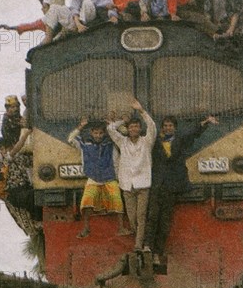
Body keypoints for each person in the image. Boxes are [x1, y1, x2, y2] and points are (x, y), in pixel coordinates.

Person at [145, 114, 219, 265]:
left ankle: (157, 252)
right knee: (152, 216)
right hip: (157, 184)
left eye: (170, 126)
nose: (167, 128)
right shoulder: (154, 141)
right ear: (162, 128)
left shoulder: (180, 140)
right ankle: (147, 247)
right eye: (165, 126)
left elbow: (194, 133)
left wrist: (205, 122)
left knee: (165, 221)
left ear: (175, 128)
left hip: (172, 186)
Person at [107, 100, 157, 252]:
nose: (134, 129)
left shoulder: (146, 142)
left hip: (143, 185)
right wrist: (123, 120)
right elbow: (110, 128)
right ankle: (139, 238)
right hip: (127, 185)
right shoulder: (122, 142)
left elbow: (153, 127)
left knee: (141, 216)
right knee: (132, 217)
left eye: (136, 126)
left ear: (140, 128)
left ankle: (138, 245)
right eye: (131, 127)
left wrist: (142, 111)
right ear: (127, 129)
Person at [68, 118, 127, 239]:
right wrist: (80, 126)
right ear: (91, 133)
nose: (98, 136)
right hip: (93, 178)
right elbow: (70, 139)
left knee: (117, 201)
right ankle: (86, 228)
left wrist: (111, 123)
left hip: (109, 176)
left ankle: (121, 228)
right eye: (96, 133)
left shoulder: (111, 142)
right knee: (86, 203)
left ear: (104, 133)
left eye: (101, 133)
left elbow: (124, 133)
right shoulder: (84, 143)